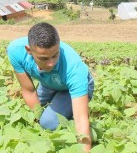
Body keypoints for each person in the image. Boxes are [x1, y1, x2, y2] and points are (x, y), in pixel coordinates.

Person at [7, 22, 94, 152]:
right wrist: (37, 121)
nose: (51, 63)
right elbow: (29, 91)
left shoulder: (74, 68)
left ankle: (66, 121)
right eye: (44, 58)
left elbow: (81, 119)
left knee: (48, 122)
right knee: (34, 116)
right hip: (48, 84)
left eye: (55, 55)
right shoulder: (16, 51)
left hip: (70, 90)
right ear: (29, 51)